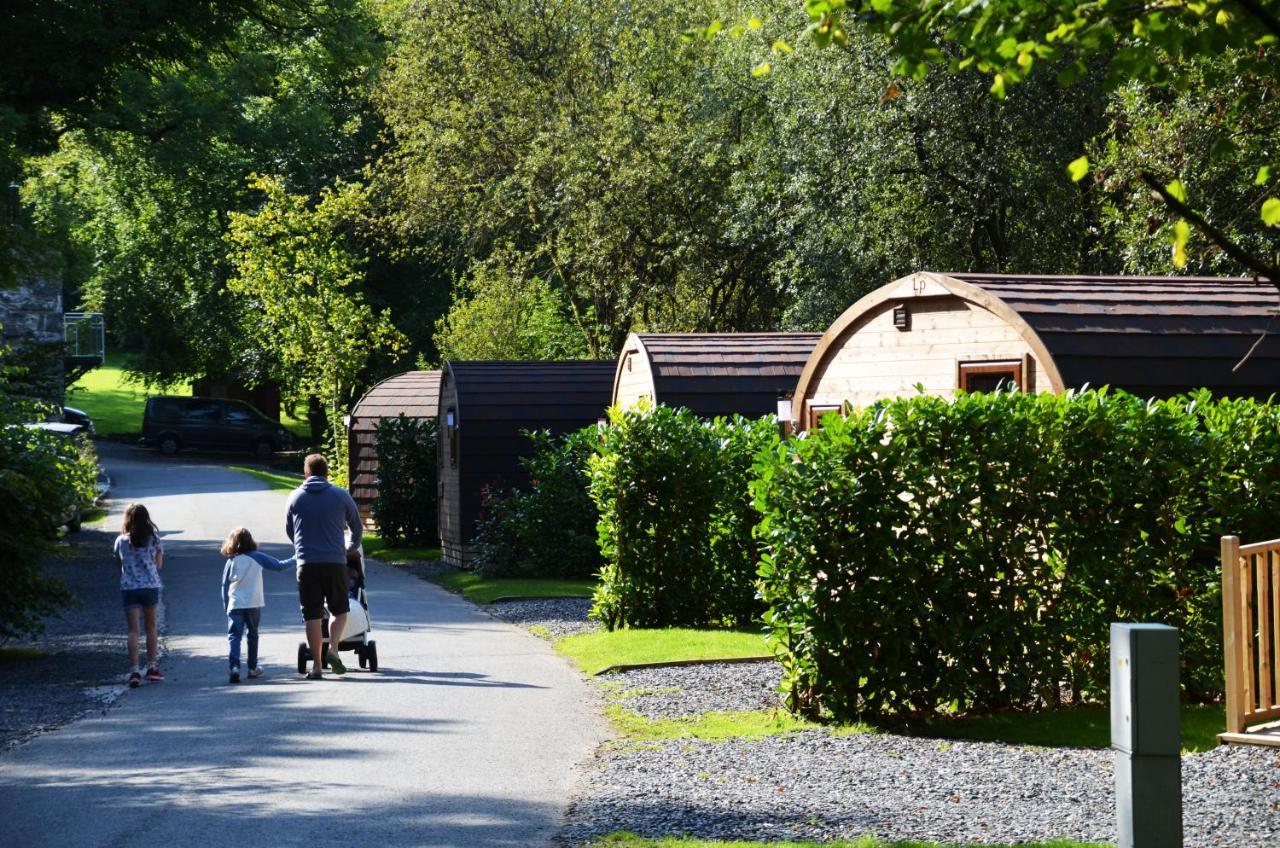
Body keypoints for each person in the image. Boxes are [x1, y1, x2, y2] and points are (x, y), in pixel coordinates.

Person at [285, 453, 362, 679]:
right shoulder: (340, 495)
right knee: (339, 610)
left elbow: (290, 530)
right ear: (326, 472)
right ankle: (333, 649)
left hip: (307, 564)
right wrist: (349, 547)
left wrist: (302, 548)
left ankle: (317, 667)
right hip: (335, 562)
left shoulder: (295, 497)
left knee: (312, 615)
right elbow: (357, 526)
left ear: (306, 472)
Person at [219, 527, 294, 684]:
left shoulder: (231, 561)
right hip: (253, 602)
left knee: (234, 636)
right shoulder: (257, 557)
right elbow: (279, 565)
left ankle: (234, 667)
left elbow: (224, 585)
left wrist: (226, 605)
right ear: (250, 541)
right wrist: (297, 557)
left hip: (235, 603)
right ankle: (252, 668)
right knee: (252, 634)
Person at [114, 503, 164, 688]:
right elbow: (158, 564)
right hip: (150, 586)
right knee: (151, 627)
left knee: (133, 630)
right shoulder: (153, 539)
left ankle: (134, 671)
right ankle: (152, 668)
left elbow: (119, 565)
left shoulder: (120, 541)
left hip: (129, 587)